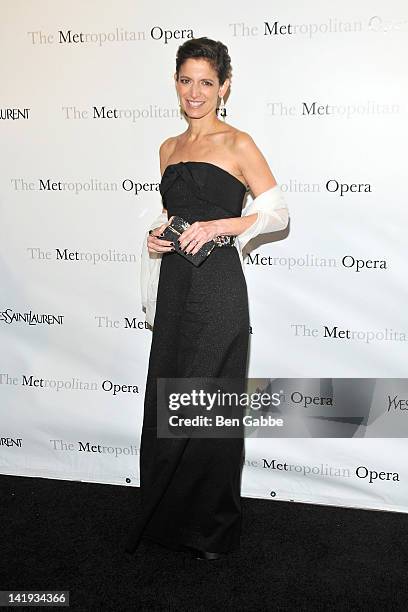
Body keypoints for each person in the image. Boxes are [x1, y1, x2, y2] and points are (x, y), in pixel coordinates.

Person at [125, 36, 289, 561]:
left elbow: (277, 213)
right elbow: (174, 213)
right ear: (176, 83)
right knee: (169, 396)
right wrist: (155, 237)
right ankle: (164, 519)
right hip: (175, 283)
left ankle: (208, 531)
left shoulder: (238, 143)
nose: (195, 92)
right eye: (186, 80)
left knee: (209, 403)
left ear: (224, 87)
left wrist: (225, 223)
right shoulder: (167, 149)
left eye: (206, 82)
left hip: (218, 286)